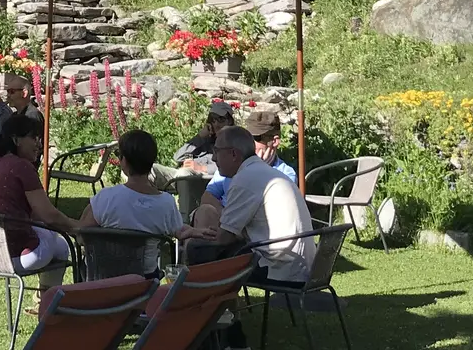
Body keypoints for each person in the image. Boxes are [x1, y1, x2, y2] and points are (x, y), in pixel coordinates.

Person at [206, 126, 318, 350]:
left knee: (207, 258)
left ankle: (224, 336)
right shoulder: (265, 172)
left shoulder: (245, 178)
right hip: (303, 264)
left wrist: (195, 234)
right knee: (217, 256)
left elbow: (224, 238)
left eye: (217, 151)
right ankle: (222, 331)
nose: (213, 157)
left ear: (234, 154)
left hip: (282, 267)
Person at [0, 114, 79, 285]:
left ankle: (47, 302)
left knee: (58, 243)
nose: (38, 143)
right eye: (33, 137)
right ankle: (49, 303)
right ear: (16, 140)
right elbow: (48, 215)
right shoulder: (22, 166)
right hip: (18, 257)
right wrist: (78, 229)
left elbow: (37, 214)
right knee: (57, 239)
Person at [79, 130, 190, 239]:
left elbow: (82, 235)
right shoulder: (167, 204)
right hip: (149, 258)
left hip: (110, 257)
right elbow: (178, 229)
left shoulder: (106, 198)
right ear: (153, 160)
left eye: (119, 154)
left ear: (124, 161)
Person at [204, 108, 296, 204]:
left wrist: (259, 169)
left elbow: (269, 206)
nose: (250, 142)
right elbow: (208, 196)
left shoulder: (286, 174)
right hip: (225, 215)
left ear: (274, 141)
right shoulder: (233, 162)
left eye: (256, 138)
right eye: (247, 136)